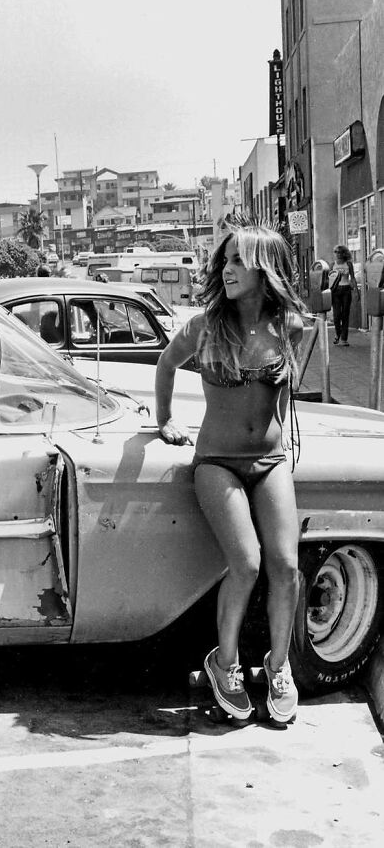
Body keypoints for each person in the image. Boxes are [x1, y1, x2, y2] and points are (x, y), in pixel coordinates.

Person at [155, 219, 307, 724]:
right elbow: (165, 364)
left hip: (271, 462)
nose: (228, 269)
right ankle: (225, 665)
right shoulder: (203, 327)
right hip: (216, 463)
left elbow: (283, 397)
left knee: (286, 565)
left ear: (266, 269)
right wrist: (165, 421)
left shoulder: (289, 327)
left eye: (240, 260)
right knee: (245, 563)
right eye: (226, 259)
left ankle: (279, 667)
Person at [330, 244, 358, 346]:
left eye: (340, 252)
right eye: (336, 252)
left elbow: (353, 278)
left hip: (346, 290)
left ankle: (344, 338)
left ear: (344, 253)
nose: (338, 254)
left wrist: (356, 291)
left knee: (345, 314)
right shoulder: (332, 264)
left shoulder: (348, 264)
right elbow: (329, 279)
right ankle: (337, 334)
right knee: (337, 315)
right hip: (336, 291)